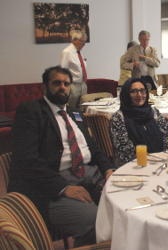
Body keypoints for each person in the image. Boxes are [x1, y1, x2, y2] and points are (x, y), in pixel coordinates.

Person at [8, 66, 115, 247]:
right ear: (45, 87)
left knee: (125, 205)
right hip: (51, 185)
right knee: (96, 221)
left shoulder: (75, 113)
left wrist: (108, 169)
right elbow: (26, 160)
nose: (63, 87)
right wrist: (63, 187)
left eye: (66, 84)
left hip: (90, 176)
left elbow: (94, 149)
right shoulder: (31, 111)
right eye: (57, 83)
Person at [110, 78, 168, 166]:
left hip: (161, 161)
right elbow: (124, 149)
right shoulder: (119, 117)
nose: (139, 95)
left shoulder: (153, 112)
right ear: (126, 95)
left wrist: (163, 155)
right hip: (134, 165)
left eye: (142, 91)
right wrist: (147, 161)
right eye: (133, 91)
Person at [60, 30, 88, 111]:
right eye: (82, 41)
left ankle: (81, 124)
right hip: (73, 86)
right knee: (72, 109)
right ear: (74, 40)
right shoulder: (67, 52)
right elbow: (62, 71)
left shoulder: (79, 52)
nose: (84, 44)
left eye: (84, 42)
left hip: (83, 85)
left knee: (82, 109)